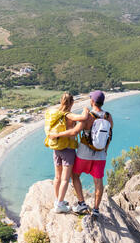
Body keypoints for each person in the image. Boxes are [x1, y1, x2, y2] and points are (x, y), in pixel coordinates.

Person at [48, 90, 112, 218]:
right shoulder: (108, 117)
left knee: (75, 175)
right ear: (102, 102)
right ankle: (95, 209)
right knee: (98, 181)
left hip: (84, 154)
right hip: (101, 155)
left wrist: (57, 135)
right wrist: (105, 150)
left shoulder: (89, 116)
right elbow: (109, 135)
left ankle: (82, 203)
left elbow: (75, 132)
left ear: (92, 101)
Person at [44, 93, 89, 213]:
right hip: (68, 150)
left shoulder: (56, 113)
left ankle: (58, 200)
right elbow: (83, 118)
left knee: (57, 177)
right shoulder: (68, 115)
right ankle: (59, 205)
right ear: (72, 103)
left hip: (56, 148)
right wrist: (85, 110)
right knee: (65, 179)